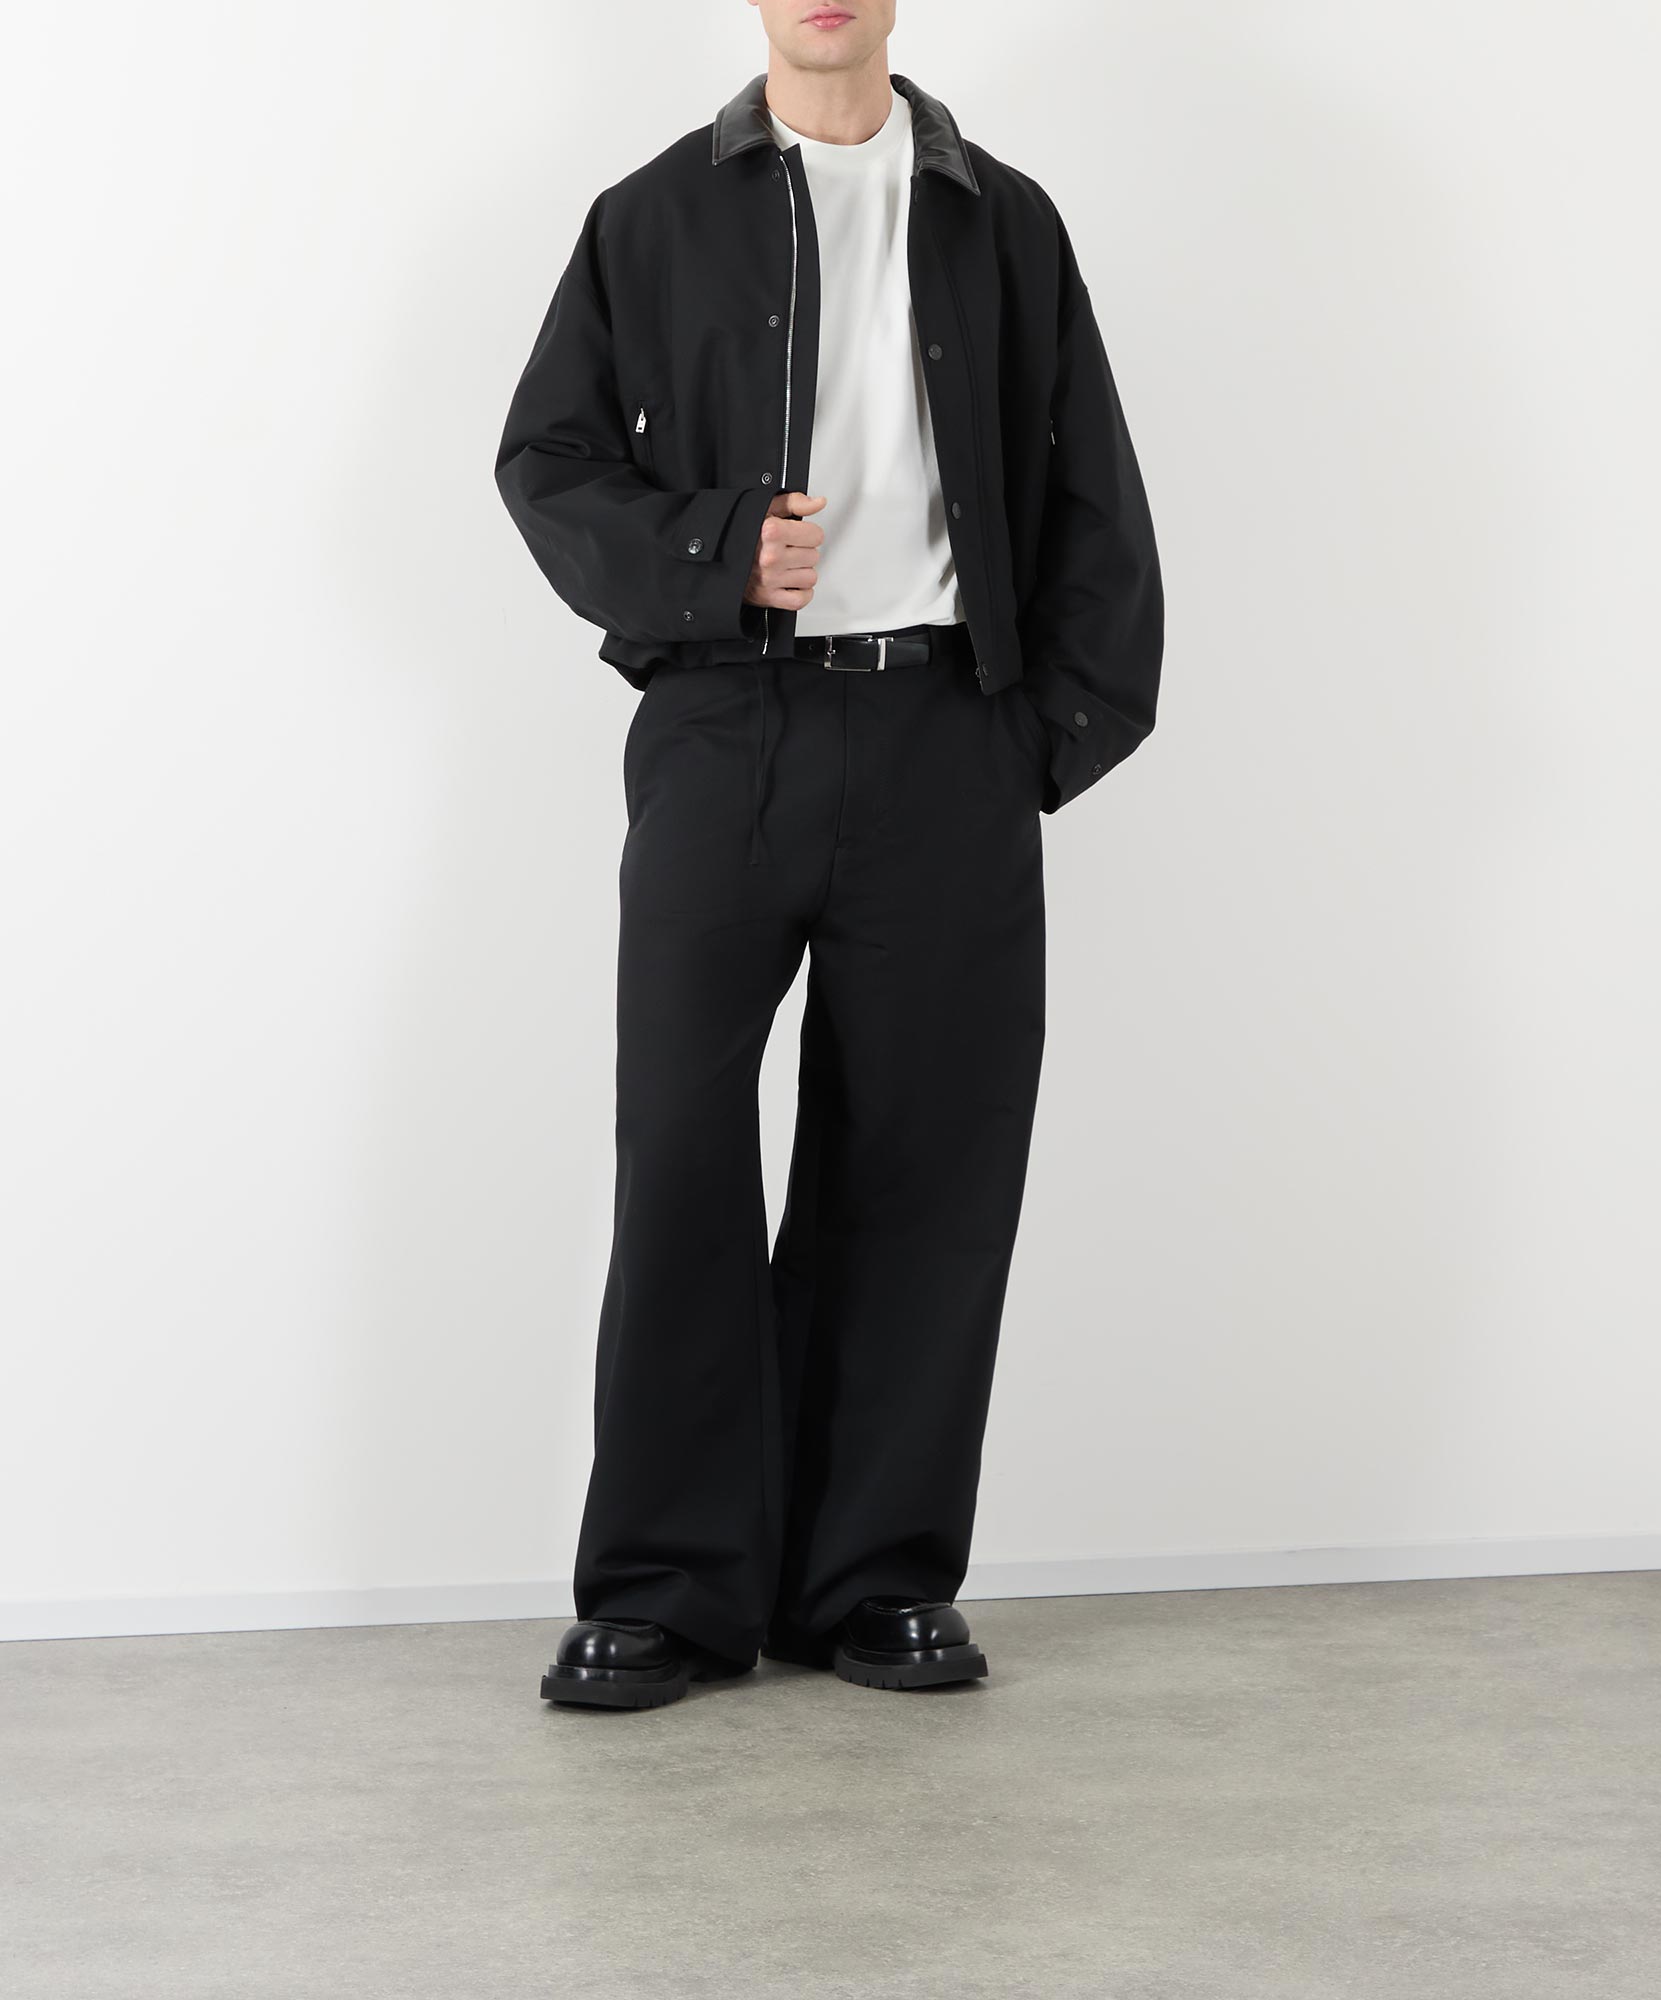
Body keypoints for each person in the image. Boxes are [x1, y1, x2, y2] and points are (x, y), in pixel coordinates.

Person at [495, 0, 1164, 1710]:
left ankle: (874, 1581)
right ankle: (663, 1588)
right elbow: (546, 462)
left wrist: (1037, 744)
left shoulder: (1004, 220)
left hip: (948, 733)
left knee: (925, 1167)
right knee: (683, 1155)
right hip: (728, 730)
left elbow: (1096, 495)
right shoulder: (651, 215)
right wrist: (717, 552)